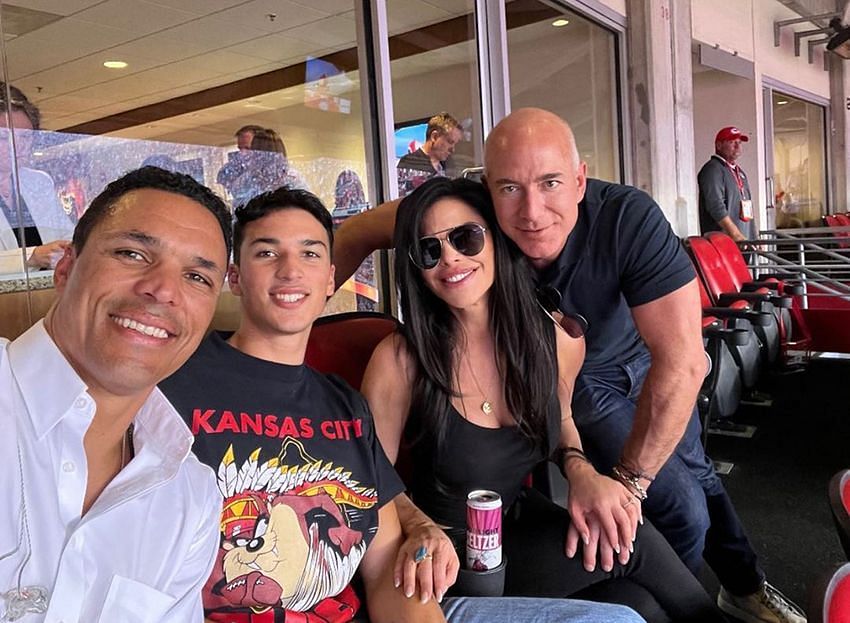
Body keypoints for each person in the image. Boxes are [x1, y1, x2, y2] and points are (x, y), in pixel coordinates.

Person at [333, 108, 806, 623]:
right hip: (478, 523)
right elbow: (361, 232)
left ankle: (741, 585)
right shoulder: (405, 350)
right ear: (491, 194)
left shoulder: (614, 233)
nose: (532, 211)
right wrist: (281, 339)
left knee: (664, 527)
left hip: (618, 366)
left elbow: (683, 362)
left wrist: (602, 477)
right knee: (673, 513)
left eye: (466, 240)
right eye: (510, 189)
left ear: (579, 179)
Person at [159, 186, 642, 623]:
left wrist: (578, 468)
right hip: (451, 560)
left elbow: (387, 550)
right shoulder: (171, 380)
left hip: (444, 566)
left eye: (309, 253)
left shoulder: (341, 406)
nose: (290, 270)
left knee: (624, 615)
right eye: (268, 253)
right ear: (235, 278)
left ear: (330, 279)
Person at [361, 176, 725, 622]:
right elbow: (368, 475)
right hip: (447, 556)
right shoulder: (400, 359)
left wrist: (580, 468)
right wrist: (417, 525)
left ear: (496, 239)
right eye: (428, 250)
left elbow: (561, 418)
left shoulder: (554, 338)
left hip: (518, 527)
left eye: (466, 237)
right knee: (638, 561)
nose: (451, 258)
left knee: (637, 589)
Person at [0, 165, 233, 621]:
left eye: (197, 278)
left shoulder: (190, 495)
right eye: (132, 253)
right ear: (65, 268)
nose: (162, 289)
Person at [0, 83, 73, 273]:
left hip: (45, 295)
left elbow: (67, 236)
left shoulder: (38, 182)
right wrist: (31, 257)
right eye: (3, 137)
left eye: (25, 137)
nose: (17, 147)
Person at [698, 126, 756, 241]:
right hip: (725, 243)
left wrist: (754, 237)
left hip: (744, 242)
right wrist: (736, 235)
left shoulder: (740, 173)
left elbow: (748, 207)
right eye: (732, 142)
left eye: (739, 142)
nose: (737, 146)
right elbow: (715, 206)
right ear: (719, 145)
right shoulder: (713, 169)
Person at [397, 112, 463, 197]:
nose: (453, 150)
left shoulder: (442, 166)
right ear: (434, 137)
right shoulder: (407, 165)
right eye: (450, 142)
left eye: (455, 144)